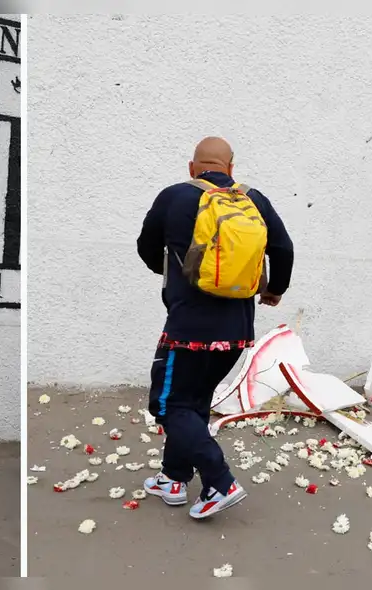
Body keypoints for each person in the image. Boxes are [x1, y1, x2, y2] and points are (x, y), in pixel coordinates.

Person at [136, 137, 294, 519]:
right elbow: (284, 249)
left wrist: (173, 270)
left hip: (187, 329)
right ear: (231, 169)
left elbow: (145, 246)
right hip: (237, 330)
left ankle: (219, 481)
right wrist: (273, 291)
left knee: (171, 405)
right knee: (194, 403)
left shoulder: (174, 197)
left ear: (193, 168)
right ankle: (173, 478)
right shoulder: (254, 199)